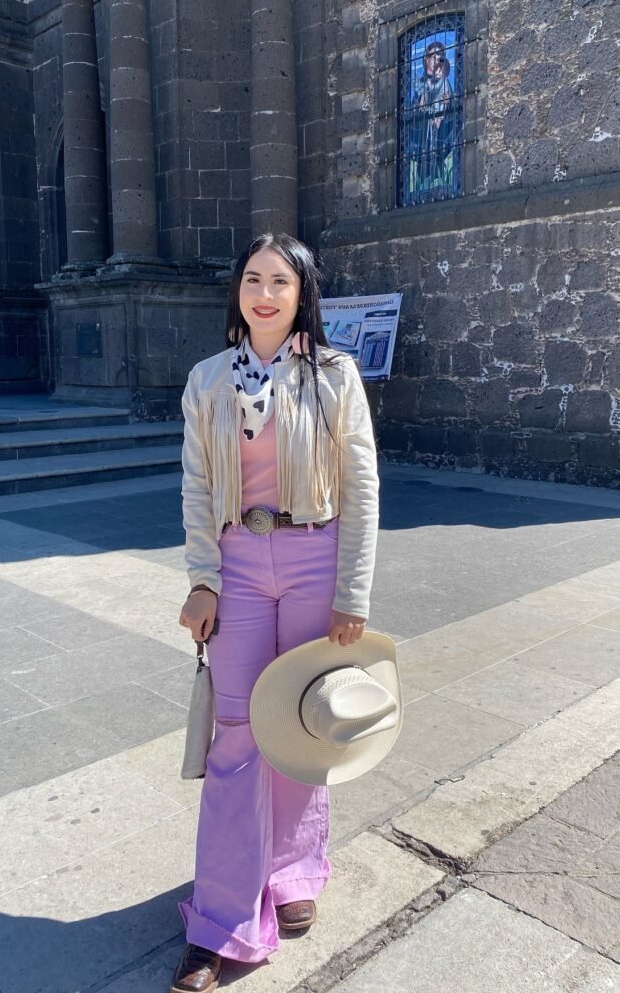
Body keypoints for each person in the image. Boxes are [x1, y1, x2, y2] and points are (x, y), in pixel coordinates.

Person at [171, 233, 379, 993]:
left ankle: (293, 870)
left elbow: (361, 487)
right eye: (253, 279)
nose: (265, 294)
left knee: (301, 725)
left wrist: (352, 593)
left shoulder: (334, 374)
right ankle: (220, 921)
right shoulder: (206, 380)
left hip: (314, 557)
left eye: (280, 282)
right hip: (236, 566)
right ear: (237, 290)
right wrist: (202, 579)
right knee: (237, 735)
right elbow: (197, 486)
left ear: (302, 294)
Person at [410, 40, 454, 197]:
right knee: (422, 167)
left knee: (438, 161)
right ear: (426, 59)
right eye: (433, 56)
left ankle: (441, 179)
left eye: (439, 56)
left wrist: (446, 104)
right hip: (423, 134)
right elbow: (412, 114)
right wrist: (419, 108)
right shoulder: (420, 84)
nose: (436, 60)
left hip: (439, 131)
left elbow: (451, 108)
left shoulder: (444, 82)